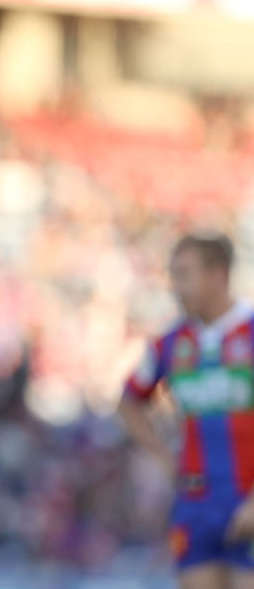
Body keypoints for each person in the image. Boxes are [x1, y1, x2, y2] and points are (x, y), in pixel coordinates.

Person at [120, 233, 254, 589]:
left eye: (184, 274)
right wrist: (164, 457)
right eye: (173, 275)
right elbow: (130, 401)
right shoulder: (171, 343)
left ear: (218, 275)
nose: (175, 287)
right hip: (197, 503)